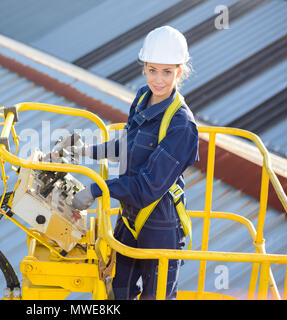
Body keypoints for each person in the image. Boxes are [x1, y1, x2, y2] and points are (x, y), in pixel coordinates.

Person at [70, 26, 199, 300]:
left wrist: (96, 190)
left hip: (160, 225)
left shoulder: (181, 125)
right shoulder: (143, 96)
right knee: (118, 292)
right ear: (144, 68)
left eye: (167, 72)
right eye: (152, 70)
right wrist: (85, 151)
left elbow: (146, 187)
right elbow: (128, 147)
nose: (158, 80)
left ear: (179, 71)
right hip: (129, 217)